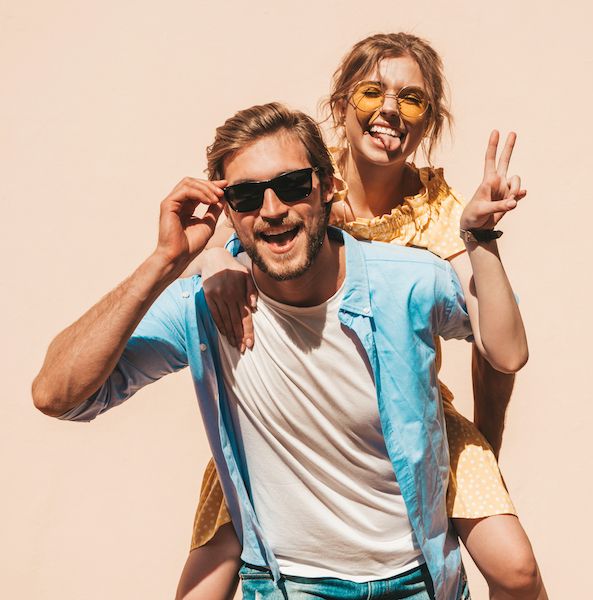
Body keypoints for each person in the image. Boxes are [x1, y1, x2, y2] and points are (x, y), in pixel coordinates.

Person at [32, 101, 528, 600]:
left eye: (291, 186)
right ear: (228, 211)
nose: (271, 210)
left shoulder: (409, 282)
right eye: (246, 196)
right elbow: (58, 394)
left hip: (417, 581)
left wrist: (481, 238)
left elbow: (504, 350)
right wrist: (164, 261)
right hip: (287, 587)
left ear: (328, 187)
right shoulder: (204, 307)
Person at [179, 33, 547, 600]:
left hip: (407, 413)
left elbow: (496, 344)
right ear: (341, 105)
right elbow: (223, 231)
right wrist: (211, 265)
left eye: (414, 100)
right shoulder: (303, 184)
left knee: (517, 570)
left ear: (430, 121)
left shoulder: (439, 208)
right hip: (289, 419)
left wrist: (485, 450)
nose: (391, 112)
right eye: (372, 92)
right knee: (203, 584)